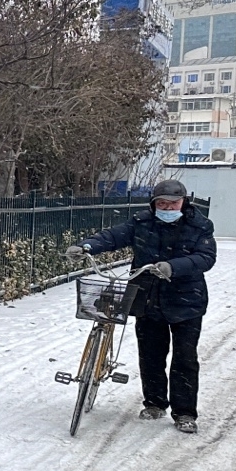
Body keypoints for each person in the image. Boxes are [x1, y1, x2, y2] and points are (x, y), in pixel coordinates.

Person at [65, 177, 216, 434]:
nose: (168, 208)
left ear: (183, 203)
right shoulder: (141, 223)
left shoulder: (199, 225)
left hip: (186, 301)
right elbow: (114, 236)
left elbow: (205, 257)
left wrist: (173, 267)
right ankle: (155, 403)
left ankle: (185, 412)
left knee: (185, 358)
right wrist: (87, 246)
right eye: (162, 203)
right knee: (151, 355)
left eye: (173, 203)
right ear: (154, 203)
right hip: (147, 298)